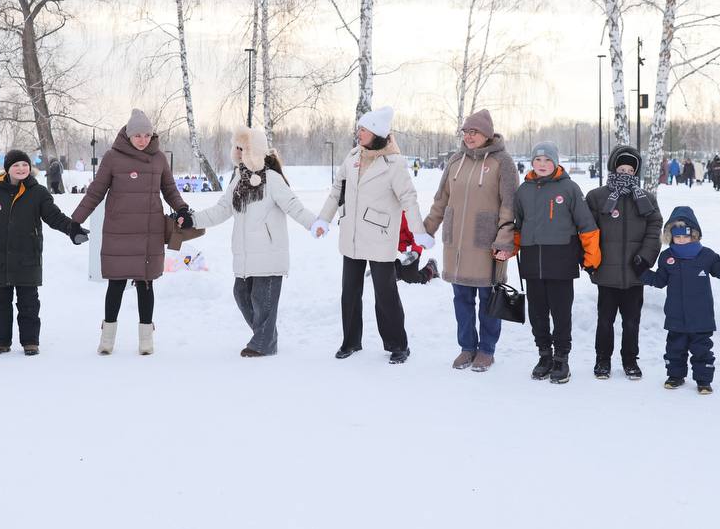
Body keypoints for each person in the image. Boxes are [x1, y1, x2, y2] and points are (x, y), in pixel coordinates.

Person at [72, 109, 193, 357]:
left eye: (147, 135)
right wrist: (74, 221)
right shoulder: (112, 158)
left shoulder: (158, 158)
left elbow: (169, 189)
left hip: (149, 231)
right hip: (119, 231)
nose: (142, 140)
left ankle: (146, 339)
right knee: (116, 283)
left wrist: (181, 208)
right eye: (137, 135)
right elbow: (96, 192)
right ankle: (107, 338)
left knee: (145, 284)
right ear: (128, 135)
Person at [315, 106, 430, 364]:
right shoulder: (353, 156)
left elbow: (408, 199)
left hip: (380, 236)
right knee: (349, 292)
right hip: (352, 236)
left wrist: (418, 231)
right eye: (359, 129)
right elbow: (337, 191)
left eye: (363, 130)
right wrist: (324, 218)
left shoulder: (394, 163)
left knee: (385, 294)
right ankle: (351, 341)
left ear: (376, 132)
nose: (359, 133)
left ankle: (398, 345)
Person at [193, 127, 319, 357]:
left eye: (244, 148)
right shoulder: (238, 181)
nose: (239, 153)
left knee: (263, 301)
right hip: (245, 254)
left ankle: (264, 342)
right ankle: (266, 334)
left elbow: (293, 205)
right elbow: (221, 210)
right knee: (241, 295)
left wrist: (313, 223)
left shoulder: (272, 179)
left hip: (268, 252)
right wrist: (192, 220)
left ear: (255, 150)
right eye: (237, 148)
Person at [0, 150, 88, 357]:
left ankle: (30, 341)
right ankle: (0, 342)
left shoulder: (38, 192)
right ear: (8, 169)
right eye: (16, 165)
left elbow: (54, 216)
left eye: (24, 165)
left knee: (28, 302)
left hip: (28, 255)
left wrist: (72, 229)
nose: (21, 169)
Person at [422, 109, 518, 372]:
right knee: (461, 299)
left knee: (488, 300)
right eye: (465, 132)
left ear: (486, 134)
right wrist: (427, 229)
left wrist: (504, 240)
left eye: (473, 132)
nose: (468, 136)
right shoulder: (455, 161)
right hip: (457, 246)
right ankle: (467, 347)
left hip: (487, 245)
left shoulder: (503, 162)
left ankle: (486, 350)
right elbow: (441, 200)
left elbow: (510, 206)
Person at [502, 141, 600, 384]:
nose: (542, 164)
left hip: (562, 261)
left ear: (556, 163)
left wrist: (592, 256)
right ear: (532, 162)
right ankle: (544, 355)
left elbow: (586, 225)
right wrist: (511, 249)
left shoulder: (569, 189)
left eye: (547, 160)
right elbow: (518, 226)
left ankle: (561, 359)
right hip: (532, 262)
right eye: (538, 160)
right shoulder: (523, 191)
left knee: (561, 312)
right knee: (537, 313)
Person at [634, 207, 720, 393]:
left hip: (701, 317)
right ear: (670, 236)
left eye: (685, 236)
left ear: (694, 235)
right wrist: (642, 272)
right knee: (674, 349)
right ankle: (675, 376)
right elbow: (659, 281)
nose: (680, 240)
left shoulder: (706, 255)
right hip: (675, 316)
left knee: (702, 351)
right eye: (676, 236)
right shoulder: (667, 257)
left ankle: (703, 381)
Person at [585, 145, 661, 379]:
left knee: (631, 321)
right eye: (622, 168)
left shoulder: (646, 199)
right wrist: (591, 259)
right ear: (613, 168)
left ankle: (630, 360)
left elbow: (654, 229)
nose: (626, 173)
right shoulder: (597, 197)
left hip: (634, 273)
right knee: (605, 320)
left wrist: (646, 258)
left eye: (630, 169)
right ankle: (602, 360)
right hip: (606, 273)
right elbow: (588, 231)